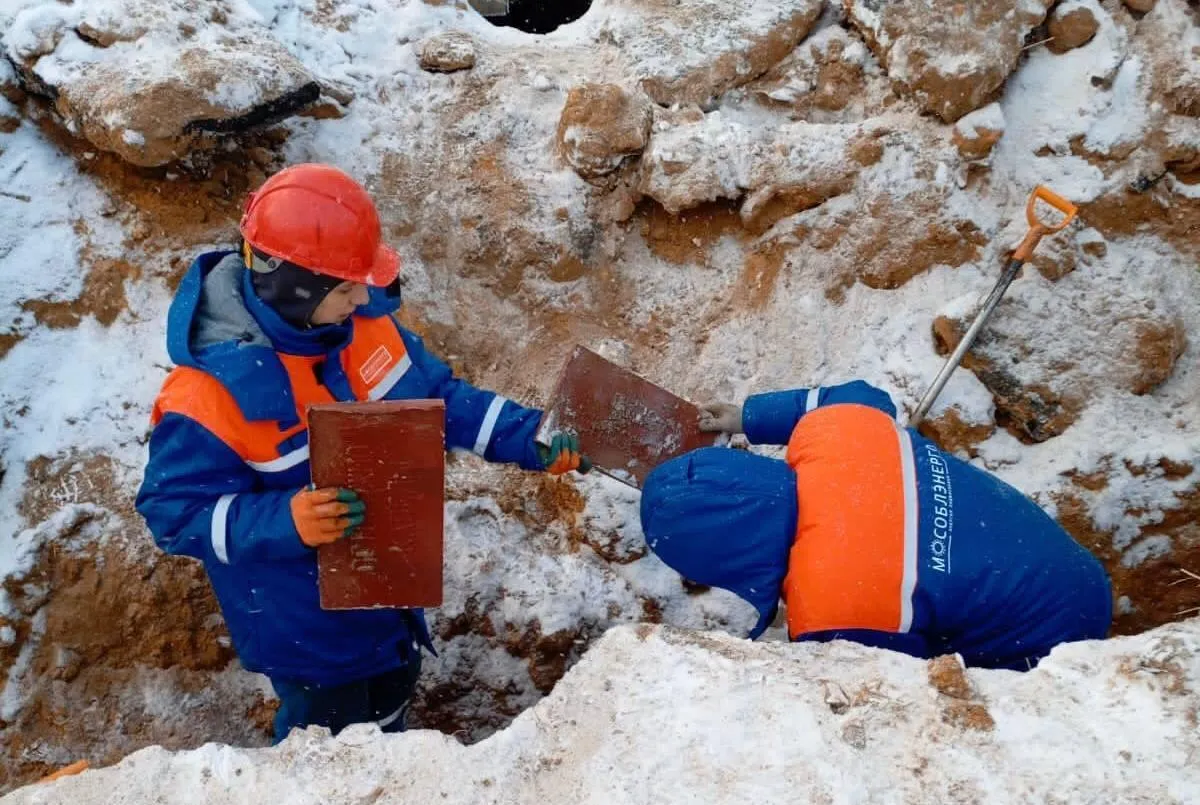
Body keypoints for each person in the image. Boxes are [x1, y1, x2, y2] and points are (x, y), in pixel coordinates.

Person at [136, 164, 584, 741]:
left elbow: (441, 400)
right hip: (305, 629)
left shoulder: (363, 328)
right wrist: (287, 521)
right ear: (292, 284)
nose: (363, 294)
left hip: (388, 594)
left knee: (390, 697)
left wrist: (531, 437)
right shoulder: (205, 397)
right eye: (345, 286)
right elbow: (171, 512)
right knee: (326, 743)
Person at [639, 380, 1112, 670]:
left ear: (725, 563)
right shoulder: (836, 431)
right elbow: (856, 394)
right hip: (1061, 560)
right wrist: (750, 416)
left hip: (1055, 644)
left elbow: (891, 685)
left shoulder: (835, 608)